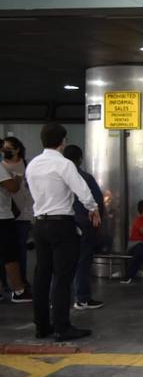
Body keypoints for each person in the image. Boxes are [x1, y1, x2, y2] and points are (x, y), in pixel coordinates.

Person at [25, 123, 100, 341]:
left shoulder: (33, 165)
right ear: (63, 141)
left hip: (39, 224)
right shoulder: (64, 164)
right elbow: (82, 190)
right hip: (62, 224)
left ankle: (41, 326)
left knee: (42, 275)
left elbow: (32, 191)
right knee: (63, 276)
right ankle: (62, 327)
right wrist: (93, 208)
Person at [63, 145, 104, 309]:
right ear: (80, 159)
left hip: (60, 222)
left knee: (60, 262)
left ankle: (55, 299)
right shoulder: (85, 177)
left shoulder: (56, 174)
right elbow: (97, 201)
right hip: (83, 223)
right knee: (82, 261)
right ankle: (82, 298)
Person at [3, 136, 34, 294]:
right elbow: (13, 187)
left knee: (19, 250)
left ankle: (21, 282)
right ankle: (12, 286)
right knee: (8, 253)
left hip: (21, 212)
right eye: (4, 148)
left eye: (9, 148)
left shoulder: (26, 165)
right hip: (5, 213)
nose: (5, 151)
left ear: (17, 149)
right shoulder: (1, 166)